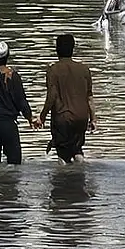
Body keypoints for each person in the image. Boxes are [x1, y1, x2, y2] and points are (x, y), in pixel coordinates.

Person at [32, 34, 96, 164]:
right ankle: (81, 170)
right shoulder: (84, 69)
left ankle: (63, 179)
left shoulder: (53, 70)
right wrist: (93, 119)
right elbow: (89, 97)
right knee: (77, 149)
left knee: (63, 154)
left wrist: (42, 117)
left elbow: (52, 96)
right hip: (81, 118)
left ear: (56, 49)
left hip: (62, 118)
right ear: (73, 48)